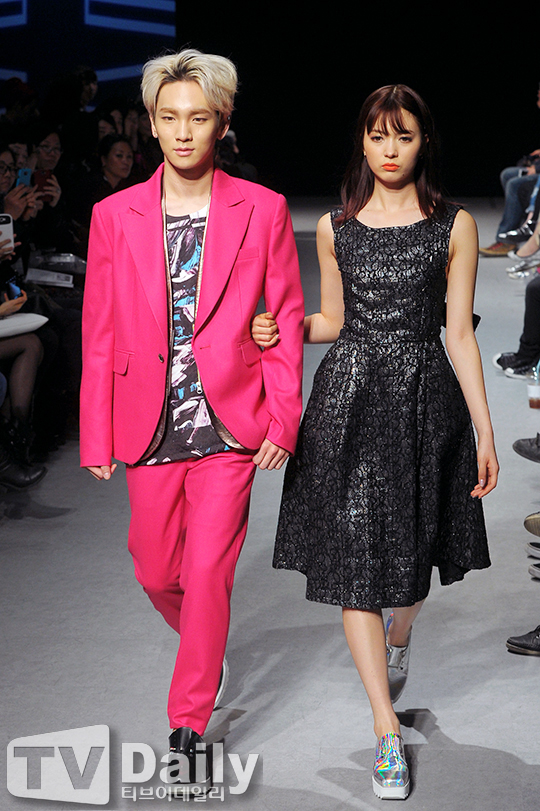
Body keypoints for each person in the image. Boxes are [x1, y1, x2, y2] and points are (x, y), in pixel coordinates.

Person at [252, 84, 498, 800]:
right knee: (356, 556)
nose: (390, 150)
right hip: (349, 402)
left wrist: (485, 429)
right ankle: (385, 727)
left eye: (405, 136)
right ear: (362, 142)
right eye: (378, 136)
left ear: (425, 143)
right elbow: (332, 318)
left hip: (425, 400)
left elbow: (459, 333)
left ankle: (401, 634)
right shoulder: (335, 227)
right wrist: (284, 328)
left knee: (414, 560)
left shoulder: (454, 225)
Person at [79, 48, 304, 796]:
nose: (183, 132)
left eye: (198, 118)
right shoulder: (113, 215)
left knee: (207, 570)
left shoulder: (261, 208)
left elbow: (285, 316)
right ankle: (204, 647)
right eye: (170, 118)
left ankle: (188, 723)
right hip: (148, 422)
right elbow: (99, 328)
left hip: (230, 423)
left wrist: (283, 416)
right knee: (154, 569)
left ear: (222, 123)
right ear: (150, 122)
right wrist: (96, 430)